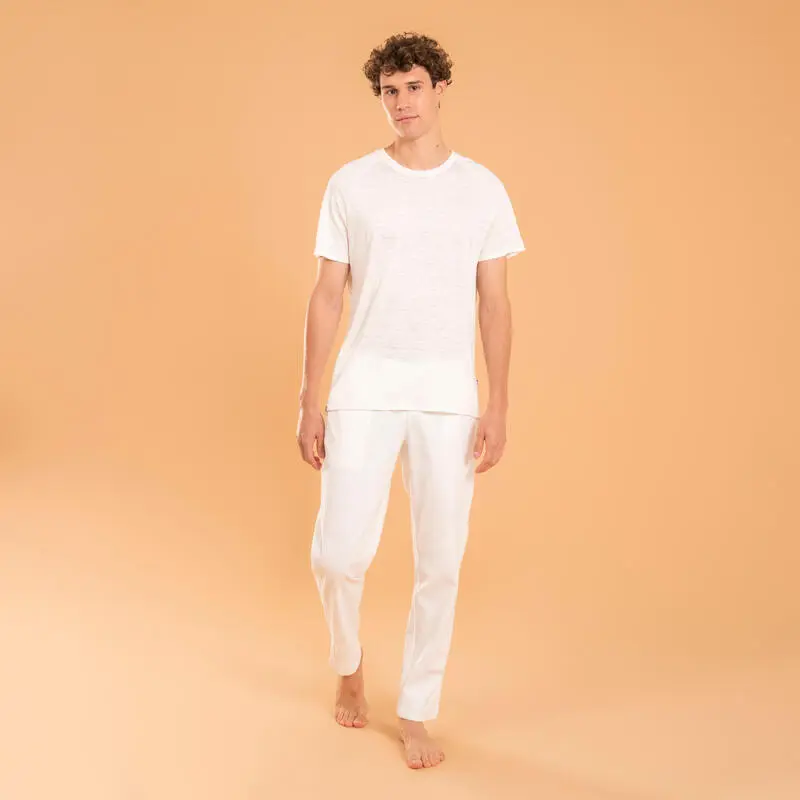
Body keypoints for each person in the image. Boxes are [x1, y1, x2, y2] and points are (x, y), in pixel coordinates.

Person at [296, 31, 525, 770]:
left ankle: (417, 709)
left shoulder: (482, 189)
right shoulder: (351, 184)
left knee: (441, 563)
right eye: (389, 91)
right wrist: (310, 398)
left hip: (447, 395)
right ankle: (349, 663)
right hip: (363, 386)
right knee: (338, 554)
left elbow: (495, 303)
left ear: (440, 89)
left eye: (414, 87)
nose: (402, 103)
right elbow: (327, 296)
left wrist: (498, 403)